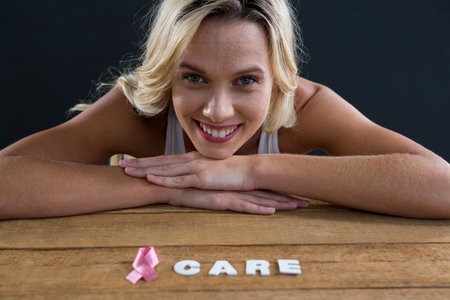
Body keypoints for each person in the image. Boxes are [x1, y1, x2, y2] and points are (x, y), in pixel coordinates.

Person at [0, 0, 449, 220]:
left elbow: (442, 188)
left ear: (278, 79)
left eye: (246, 81)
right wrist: (170, 187)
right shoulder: (142, 109)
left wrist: (253, 170)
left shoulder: (307, 107)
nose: (217, 111)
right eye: (193, 77)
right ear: (166, 73)